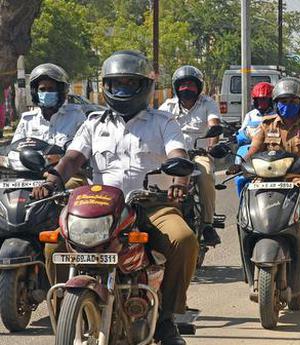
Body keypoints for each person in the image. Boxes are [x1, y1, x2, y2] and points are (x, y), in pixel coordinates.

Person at [34, 51, 197, 345]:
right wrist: (51, 179)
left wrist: (179, 182)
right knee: (54, 244)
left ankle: (167, 318)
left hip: (152, 204)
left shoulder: (163, 121)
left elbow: (178, 154)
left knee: (182, 239)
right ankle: (65, 306)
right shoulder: (93, 123)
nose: (121, 90)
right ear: (106, 86)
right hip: (100, 207)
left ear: (143, 86)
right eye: (115, 84)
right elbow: (72, 158)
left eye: (128, 84)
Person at [245, 77, 300, 239]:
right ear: (275, 103)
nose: (288, 104)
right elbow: (255, 148)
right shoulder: (267, 124)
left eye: (293, 101)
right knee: (247, 193)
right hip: (268, 177)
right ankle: (251, 233)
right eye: (283, 100)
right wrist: (242, 161)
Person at [159, 65, 222, 247]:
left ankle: (208, 225)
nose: (186, 89)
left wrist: (211, 147)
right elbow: (158, 127)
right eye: (182, 85)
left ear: (199, 87)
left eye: (191, 85)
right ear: (176, 87)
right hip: (174, 156)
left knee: (206, 175)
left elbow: (214, 125)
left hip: (198, 155)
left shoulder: (208, 103)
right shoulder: (168, 106)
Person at [12, 63, 86, 188]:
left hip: (68, 177)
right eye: (42, 89)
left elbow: (84, 153)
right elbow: (14, 152)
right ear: (35, 92)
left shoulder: (76, 117)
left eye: (51, 89)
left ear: (61, 91)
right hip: (31, 178)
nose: (46, 93)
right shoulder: (27, 120)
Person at [233, 82, 275, 194]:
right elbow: (242, 132)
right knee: (240, 178)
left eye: (265, 99)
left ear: (271, 100)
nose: (262, 102)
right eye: (259, 100)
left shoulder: (278, 114)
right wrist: (242, 135)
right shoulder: (250, 115)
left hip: (272, 150)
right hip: (251, 149)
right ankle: (243, 204)